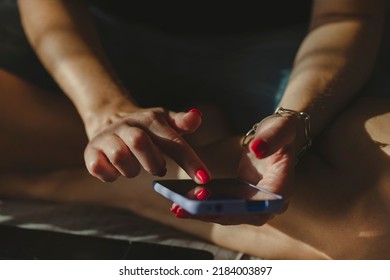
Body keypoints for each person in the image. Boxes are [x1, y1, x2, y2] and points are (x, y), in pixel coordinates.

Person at [0, 0, 389, 259]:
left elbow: (345, 14)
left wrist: (297, 120)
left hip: (298, 54)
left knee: (374, 229)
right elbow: (48, 10)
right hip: (97, 40)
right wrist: (104, 111)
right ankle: (165, 154)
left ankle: (127, 178)